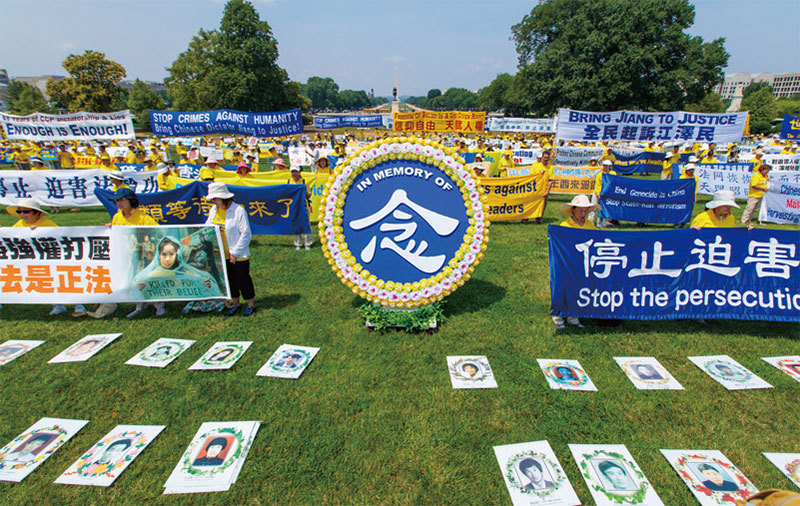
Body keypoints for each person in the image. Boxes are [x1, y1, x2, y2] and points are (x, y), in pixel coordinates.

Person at [7, 198, 87, 317]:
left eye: (26, 212)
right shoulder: (19, 225)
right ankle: (58, 305)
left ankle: (78, 305)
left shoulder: (47, 224)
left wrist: (40, 232)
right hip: (36, 260)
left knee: (65, 281)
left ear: (37, 213)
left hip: (54, 259)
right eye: (20, 212)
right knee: (48, 283)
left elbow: (60, 238)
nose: (22, 215)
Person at [205, 183, 257, 316]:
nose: (213, 201)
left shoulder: (238, 211)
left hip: (238, 254)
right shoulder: (214, 210)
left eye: (215, 198)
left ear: (223, 197)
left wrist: (234, 253)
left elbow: (246, 234)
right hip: (222, 253)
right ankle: (236, 303)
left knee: (243, 279)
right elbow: (208, 226)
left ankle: (250, 304)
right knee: (230, 280)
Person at [288, 166, 313, 250]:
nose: (294, 173)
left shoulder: (304, 182)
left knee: (305, 224)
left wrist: (304, 191)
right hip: (293, 206)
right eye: (292, 172)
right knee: (295, 224)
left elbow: (309, 195)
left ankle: (308, 243)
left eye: (296, 171)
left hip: (303, 206)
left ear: (299, 172)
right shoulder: (289, 182)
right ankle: (298, 243)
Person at [593, 160, 616, 227]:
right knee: (593, 207)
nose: (605, 167)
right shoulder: (599, 175)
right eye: (604, 165)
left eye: (607, 166)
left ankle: (599, 222)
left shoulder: (613, 173)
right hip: (598, 193)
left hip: (606, 194)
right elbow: (597, 185)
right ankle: (590, 221)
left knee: (602, 208)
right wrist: (598, 194)